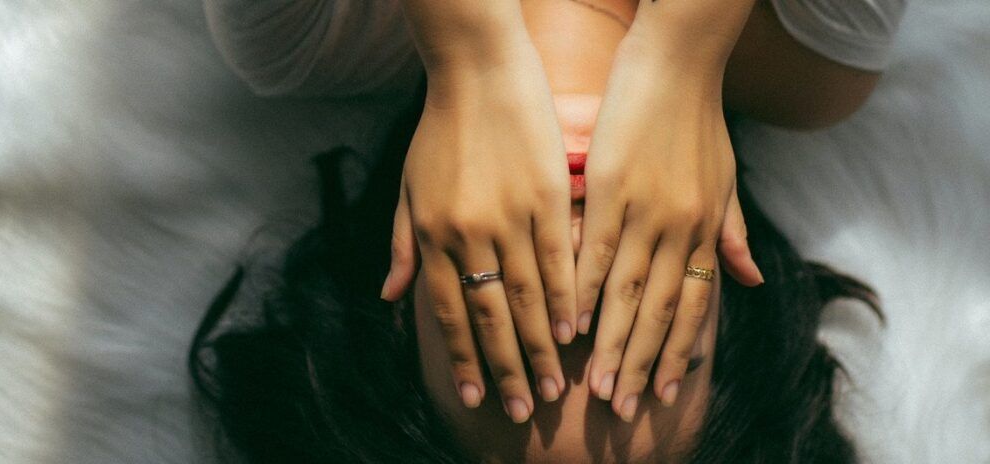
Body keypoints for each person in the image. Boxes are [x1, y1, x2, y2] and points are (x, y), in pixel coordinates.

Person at [191, 0, 900, 461]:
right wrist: (688, 50)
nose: (578, 268)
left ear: (403, 295)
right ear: (724, 286)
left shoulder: (299, 26)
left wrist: (467, 48)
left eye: (513, 333)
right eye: (643, 331)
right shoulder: (822, 56)